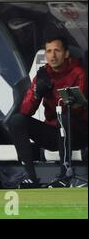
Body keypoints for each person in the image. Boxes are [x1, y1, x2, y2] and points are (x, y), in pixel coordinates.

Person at [6, 36, 88, 188]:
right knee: (17, 120)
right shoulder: (43, 74)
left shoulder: (78, 73)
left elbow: (77, 109)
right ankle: (30, 177)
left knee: (64, 118)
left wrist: (55, 94)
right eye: (49, 51)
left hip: (78, 132)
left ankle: (64, 175)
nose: (52, 55)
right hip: (53, 132)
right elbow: (26, 111)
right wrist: (38, 93)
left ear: (66, 54)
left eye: (57, 50)